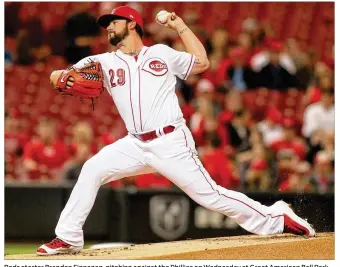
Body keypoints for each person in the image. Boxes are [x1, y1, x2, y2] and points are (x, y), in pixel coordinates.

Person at [37, 6, 315, 256]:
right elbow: (59, 75)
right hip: (134, 144)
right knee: (92, 169)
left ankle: (276, 218)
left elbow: (202, 63)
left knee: (211, 196)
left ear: (132, 24)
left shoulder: (160, 54)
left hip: (170, 141)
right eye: (107, 23)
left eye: (114, 21)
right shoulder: (104, 62)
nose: (108, 27)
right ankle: (68, 237)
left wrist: (180, 26)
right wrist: (59, 77)